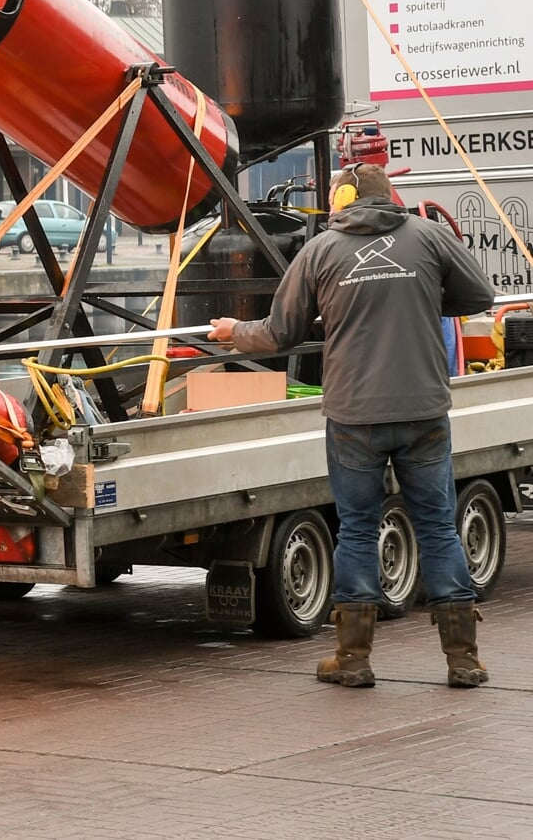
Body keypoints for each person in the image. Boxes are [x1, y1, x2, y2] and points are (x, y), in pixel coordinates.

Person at [208, 162, 495, 689]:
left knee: (358, 529)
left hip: (353, 417)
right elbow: (480, 296)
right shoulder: (429, 237)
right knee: (436, 525)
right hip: (423, 412)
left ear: (341, 198)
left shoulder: (320, 250)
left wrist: (233, 331)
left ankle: (354, 660)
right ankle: (463, 659)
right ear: (390, 196)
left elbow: (279, 333)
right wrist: (423, 292)